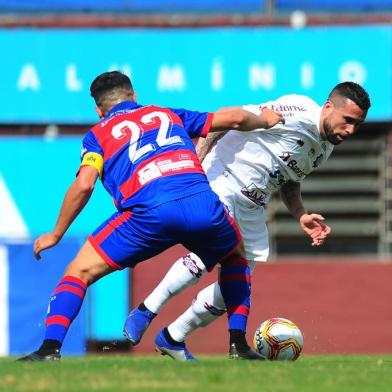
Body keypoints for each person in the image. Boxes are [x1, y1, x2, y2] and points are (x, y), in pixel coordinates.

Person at [18, 71, 284, 362]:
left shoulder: (97, 135)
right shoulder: (166, 114)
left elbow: (84, 184)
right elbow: (233, 119)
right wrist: (264, 120)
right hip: (200, 204)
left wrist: (56, 234)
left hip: (147, 214)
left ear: (98, 110)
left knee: (78, 272)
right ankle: (238, 345)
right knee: (235, 257)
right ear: (134, 96)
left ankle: (49, 349)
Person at [123, 81, 371, 361]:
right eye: (347, 120)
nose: (351, 130)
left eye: (357, 125)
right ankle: (147, 310)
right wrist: (197, 165)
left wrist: (301, 214)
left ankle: (173, 337)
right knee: (208, 255)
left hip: (254, 204)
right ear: (328, 107)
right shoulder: (298, 109)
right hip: (222, 180)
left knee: (235, 285)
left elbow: (289, 182)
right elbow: (229, 119)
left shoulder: (324, 148)